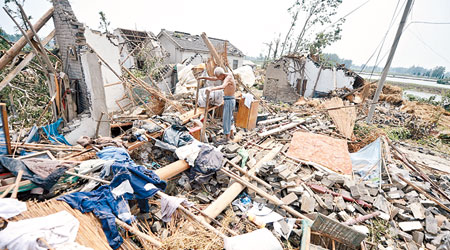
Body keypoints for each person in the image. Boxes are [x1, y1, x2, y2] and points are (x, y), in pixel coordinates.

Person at [198, 67, 236, 141]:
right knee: (230, 119)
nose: (218, 79)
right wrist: (202, 77)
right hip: (230, 100)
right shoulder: (225, 76)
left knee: (226, 119)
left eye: (219, 77)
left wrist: (211, 89)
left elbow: (223, 86)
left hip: (229, 100)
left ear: (222, 74)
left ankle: (227, 138)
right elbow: (214, 78)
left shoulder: (228, 78)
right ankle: (231, 134)